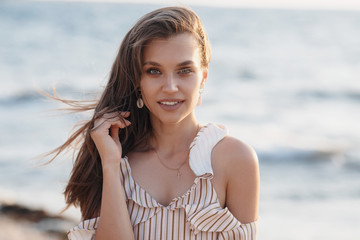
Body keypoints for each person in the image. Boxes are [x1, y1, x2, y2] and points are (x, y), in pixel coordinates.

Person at [54, 6, 259, 240]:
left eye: (184, 71)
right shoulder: (113, 160)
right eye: (154, 71)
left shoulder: (235, 159)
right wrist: (110, 166)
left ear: (203, 77)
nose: (170, 87)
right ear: (137, 81)